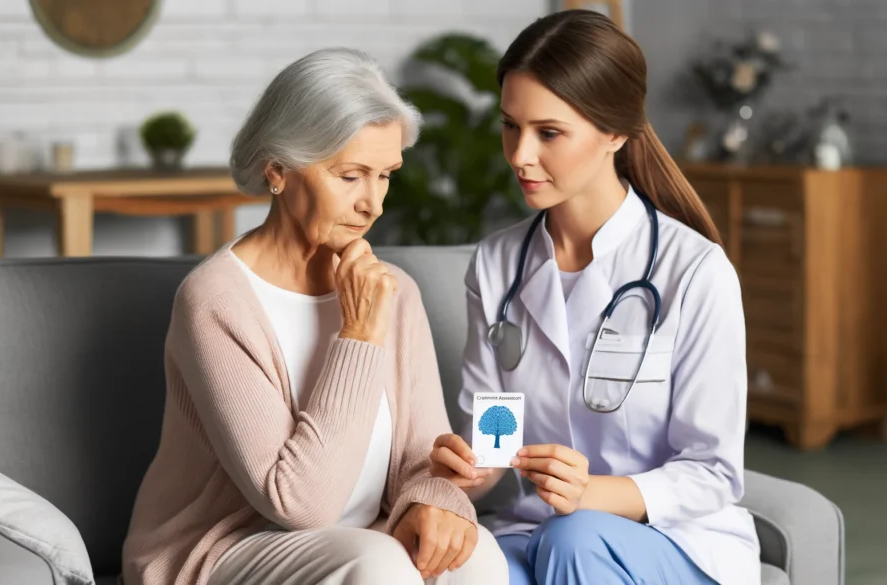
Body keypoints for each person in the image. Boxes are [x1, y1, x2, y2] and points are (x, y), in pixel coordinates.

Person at [121, 48, 507, 585]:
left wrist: (435, 497)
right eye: (350, 176)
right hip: (226, 549)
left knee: (477, 554)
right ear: (278, 168)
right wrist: (359, 334)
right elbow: (299, 505)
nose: (373, 203)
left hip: (361, 540)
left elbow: (423, 457)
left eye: (386, 175)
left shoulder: (396, 292)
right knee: (378, 565)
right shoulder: (215, 300)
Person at [428, 10, 761, 585]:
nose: (519, 155)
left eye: (548, 133)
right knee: (460, 570)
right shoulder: (496, 264)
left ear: (614, 133)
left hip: (675, 540)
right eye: (511, 126)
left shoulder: (695, 271)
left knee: (574, 537)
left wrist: (593, 494)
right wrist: (470, 469)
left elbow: (712, 471)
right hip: (537, 530)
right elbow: (496, 436)